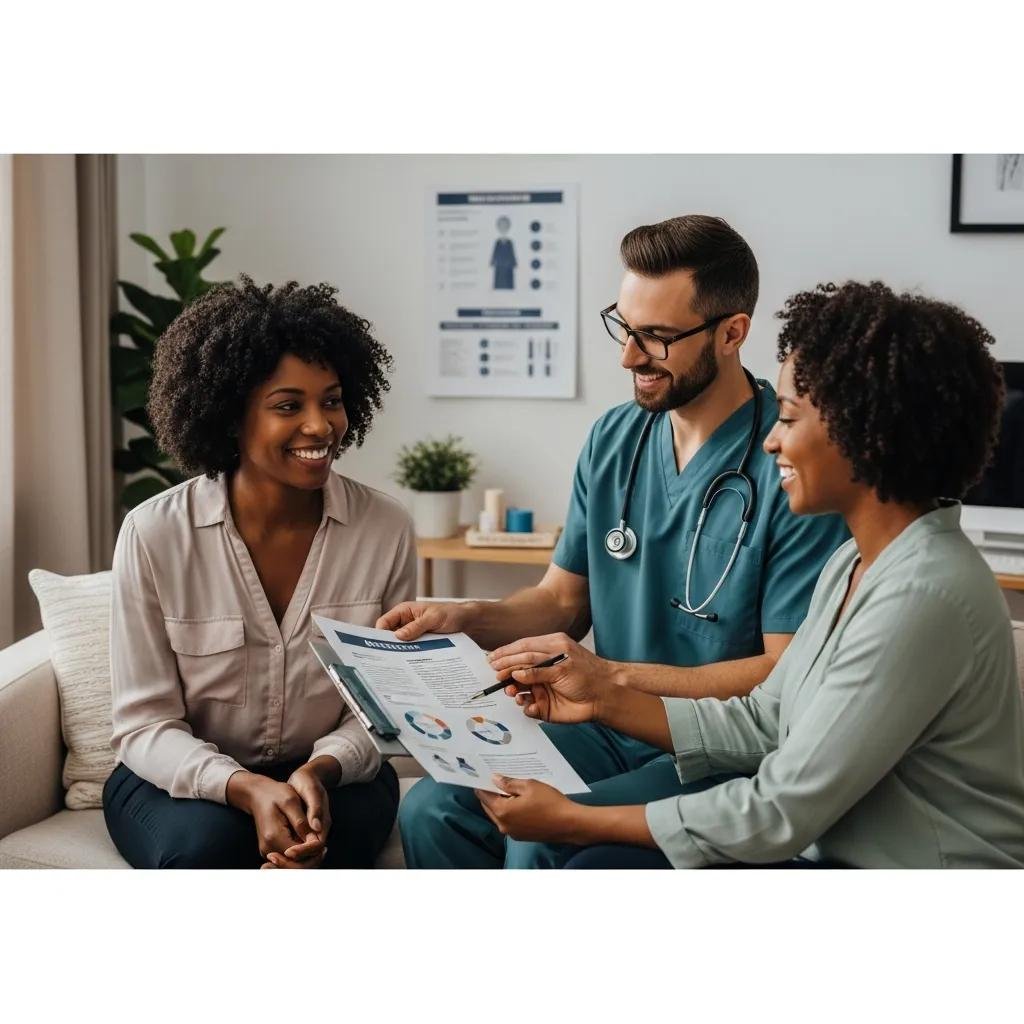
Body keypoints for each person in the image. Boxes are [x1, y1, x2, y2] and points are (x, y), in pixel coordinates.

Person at [475, 281, 1024, 869]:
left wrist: (573, 820)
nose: (771, 440)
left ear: (867, 431)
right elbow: (768, 720)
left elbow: (779, 808)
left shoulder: (924, 595)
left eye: (789, 418)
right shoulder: (856, 565)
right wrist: (604, 698)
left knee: (587, 863)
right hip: (825, 857)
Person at [379, 215, 850, 869]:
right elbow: (560, 602)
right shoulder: (613, 439)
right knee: (432, 807)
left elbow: (783, 673)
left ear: (732, 332)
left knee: (539, 837)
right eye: (624, 327)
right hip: (602, 725)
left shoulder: (793, 462)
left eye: (656, 338)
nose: (629, 356)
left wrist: (607, 678)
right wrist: (465, 618)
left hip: (717, 749)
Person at [103, 277, 415, 869]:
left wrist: (319, 771)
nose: (321, 426)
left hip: (330, 771)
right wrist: (244, 787)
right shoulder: (154, 534)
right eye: (287, 406)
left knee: (323, 845)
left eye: (331, 399)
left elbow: (380, 708)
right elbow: (144, 724)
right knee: (207, 851)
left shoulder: (385, 529)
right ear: (229, 415)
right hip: (182, 775)